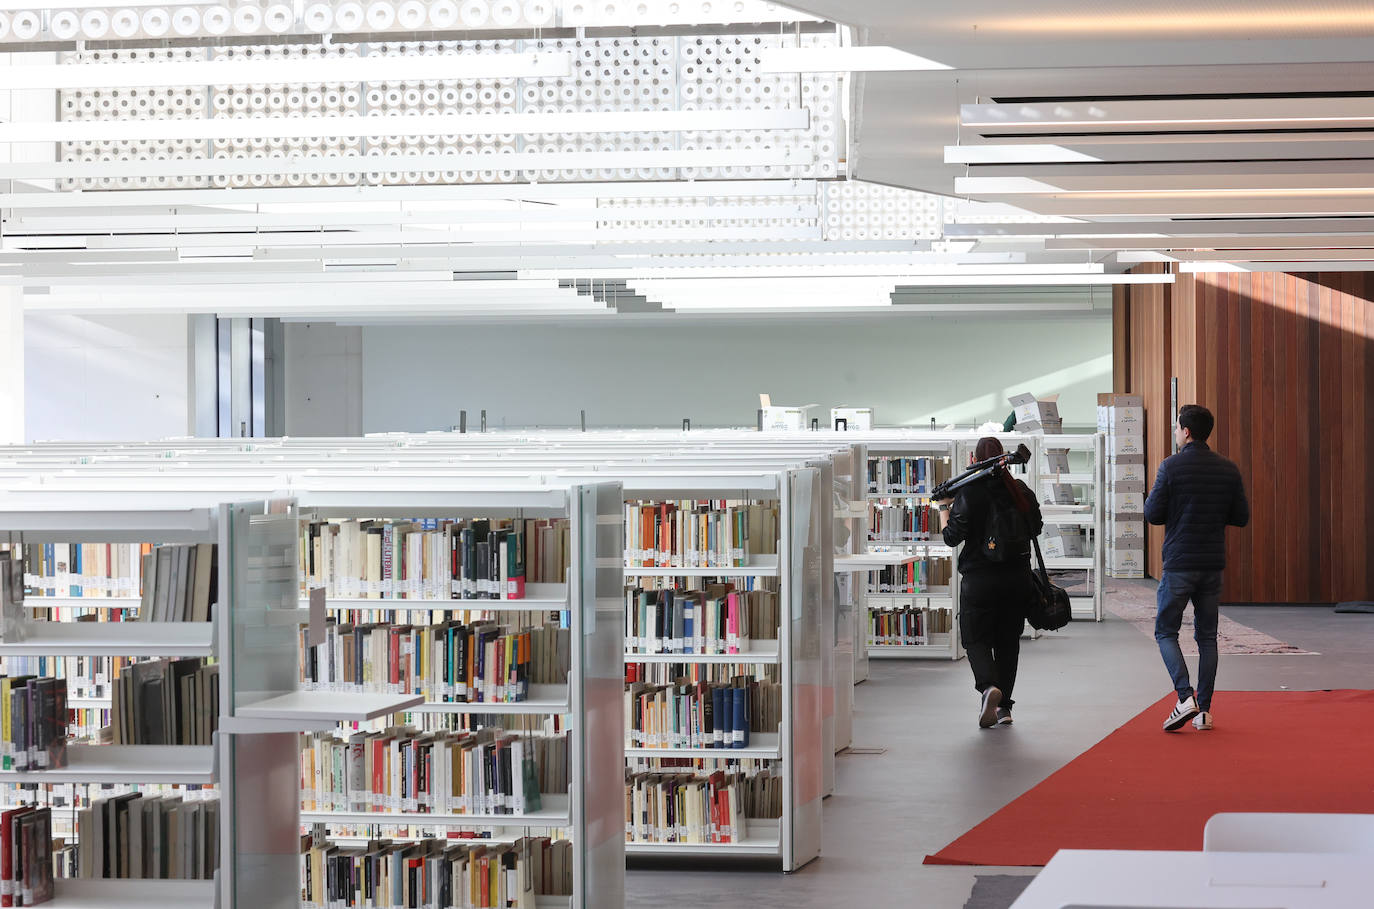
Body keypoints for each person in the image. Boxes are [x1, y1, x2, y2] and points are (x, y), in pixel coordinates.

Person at [1144, 404, 1249, 733]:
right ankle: (1203, 712)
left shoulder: (1170, 467)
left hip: (1179, 563)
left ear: (1186, 431)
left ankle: (1184, 696)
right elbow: (1241, 517)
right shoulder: (1228, 469)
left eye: (1177, 427)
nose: (1176, 432)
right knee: (1207, 638)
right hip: (1211, 564)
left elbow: (1152, 514)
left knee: (1165, 631)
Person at [936, 437, 1042, 728]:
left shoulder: (969, 493)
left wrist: (945, 507)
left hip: (980, 581)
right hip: (1017, 580)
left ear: (974, 459)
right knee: (1008, 643)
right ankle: (1004, 709)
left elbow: (951, 537)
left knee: (975, 638)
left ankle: (988, 687)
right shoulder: (1020, 491)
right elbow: (1037, 528)